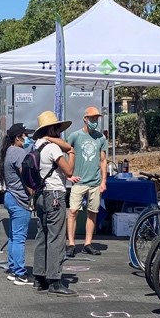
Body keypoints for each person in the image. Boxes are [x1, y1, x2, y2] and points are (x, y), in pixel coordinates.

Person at [30, 110, 76, 295]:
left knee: (42, 234)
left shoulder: (37, 145)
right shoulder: (52, 148)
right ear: (52, 129)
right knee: (56, 237)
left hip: (40, 194)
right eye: (57, 128)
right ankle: (55, 280)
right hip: (54, 194)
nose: (59, 131)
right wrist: (71, 152)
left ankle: (39, 277)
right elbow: (69, 171)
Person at [64, 105, 110, 257]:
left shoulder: (100, 138)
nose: (95, 121)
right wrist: (67, 174)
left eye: (97, 118)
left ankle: (88, 243)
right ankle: (71, 243)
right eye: (92, 118)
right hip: (79, 181)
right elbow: (65, 151)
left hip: (95, 182)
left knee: (92, 213)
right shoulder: (75, 136)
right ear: (85, 119)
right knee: (73, 212)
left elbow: (103, 160)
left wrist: (103, 181)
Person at [0, 122, 34, 286]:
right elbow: (26, 176)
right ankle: (20, 273)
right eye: (25, 135)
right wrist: (33, 191)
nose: (27, 138)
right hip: (19, 199)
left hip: (10, 196)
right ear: (18, 137)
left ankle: (14, 269)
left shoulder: (8, 152)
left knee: (14, 236)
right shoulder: (19, 153)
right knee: (19, 238)